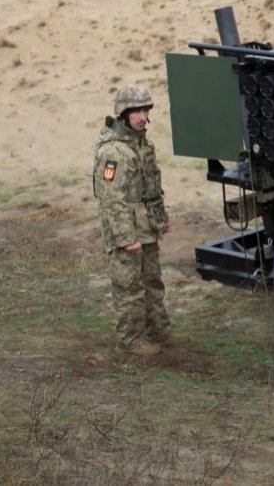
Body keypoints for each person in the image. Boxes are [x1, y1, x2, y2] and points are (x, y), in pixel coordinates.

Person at [92, 84, 185, 356]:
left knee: (153, 282)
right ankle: (131, 342)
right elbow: (111, 199)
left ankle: (160, 332)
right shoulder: (113, 152)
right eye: (138, 111)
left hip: (147, 227)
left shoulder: (142, 145)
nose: (143, 116)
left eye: (146, 110)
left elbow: (152, 188)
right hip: (128, 232)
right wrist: (125, 238)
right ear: (123, 113)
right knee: (129, 287)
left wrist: (161, 218)